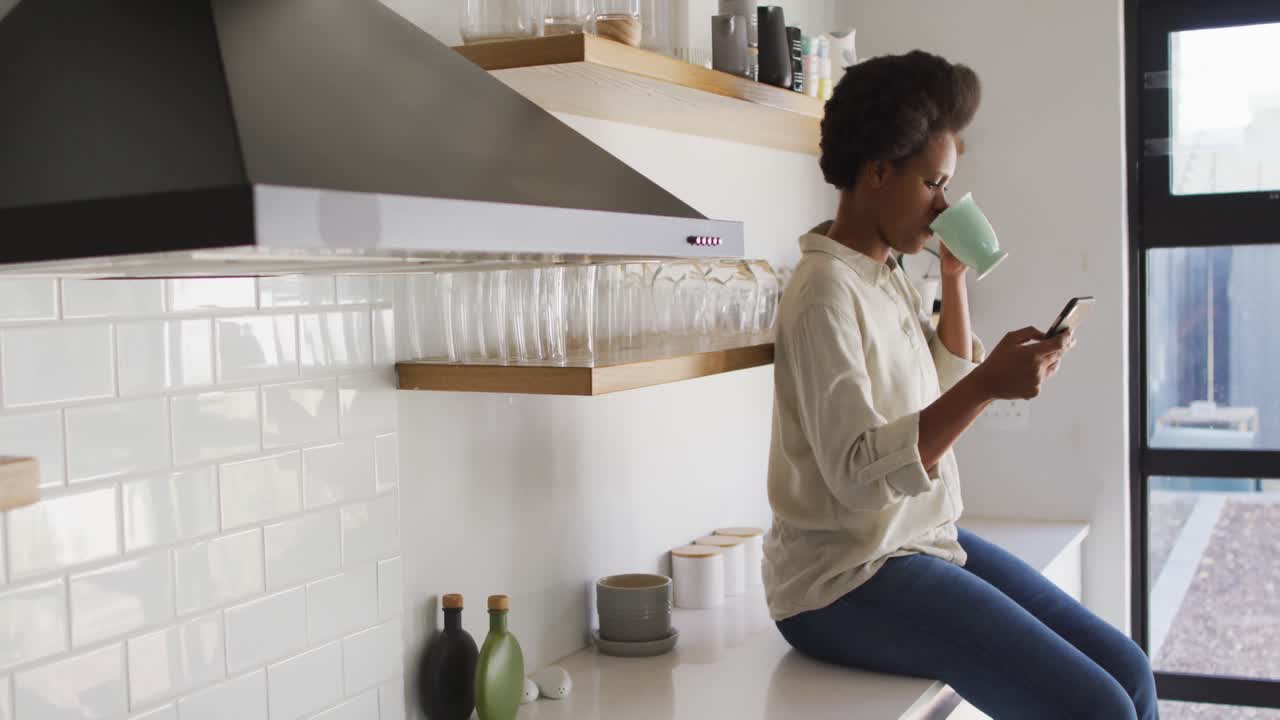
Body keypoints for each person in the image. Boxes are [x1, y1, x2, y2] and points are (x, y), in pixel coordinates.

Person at [762, 50, 1158, 719]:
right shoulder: (824, 293)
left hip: (917, 539)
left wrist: (952, 281)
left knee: (1131, 671)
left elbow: (933, 386)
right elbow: (858, 473)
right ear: (877, 171)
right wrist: (986, 388)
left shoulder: (882, 274)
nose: (944, 206)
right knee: (1099, 710)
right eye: (932, 185)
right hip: (842, 580)